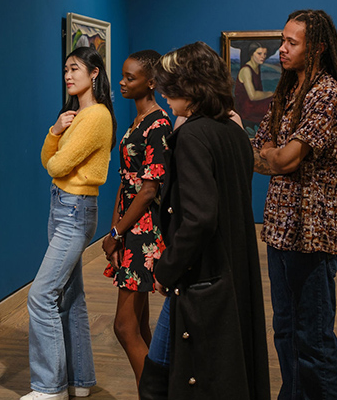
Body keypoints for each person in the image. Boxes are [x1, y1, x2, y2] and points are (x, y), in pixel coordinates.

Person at [139, 42, 269, 400]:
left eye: (169, 87)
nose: (164, 95)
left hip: (200, 280)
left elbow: (199, 218)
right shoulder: (234, 132)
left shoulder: (193, 136)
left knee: (159, 381)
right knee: (162, 371)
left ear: (189, 86)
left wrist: (166, 269)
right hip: (226, 273)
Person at [253, 9, 337, 399]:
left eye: (291, 42)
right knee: (285, 331)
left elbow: (283, 160)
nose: (281, 49)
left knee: (312, 338)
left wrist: (272, 153)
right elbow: (260, 152)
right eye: (282, 40)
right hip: (280, 230)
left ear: (316, 48)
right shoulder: (287, 92)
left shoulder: (327, 94)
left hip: (312, 235)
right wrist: (272, 153)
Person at [22, 46, 117, 400]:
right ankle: (80, 380)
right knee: (70, 296)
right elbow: (48, 158)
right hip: (63, 206)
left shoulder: (95, 116)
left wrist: (58, 147)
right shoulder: (75, 115)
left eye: (75, 68)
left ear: (94, 72)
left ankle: (50, 387)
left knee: (40, 295)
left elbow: (57, 165)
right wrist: (55, 129)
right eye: (65, 69)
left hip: (74, 210)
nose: (68, 75)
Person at [101, 50, 172, 388]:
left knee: (124, 327)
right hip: (130, 228)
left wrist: (117, 232)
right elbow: (125, 182)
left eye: (130, 77)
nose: (122, 82)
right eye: (123, 76)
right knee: (140, 326)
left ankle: (155, 394)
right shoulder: (138, 121)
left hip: (144, 230)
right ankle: (159, 389)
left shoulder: (158, 124)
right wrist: (114, 231)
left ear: (152, 82)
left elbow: (148, 190)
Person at [234, 42, 275, 129]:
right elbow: (252, 96)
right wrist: (271, 93)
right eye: (259, 54)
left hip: (254, 104)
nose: (263, 56)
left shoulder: (256, 67)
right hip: (247, 108)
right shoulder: (246, 70)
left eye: (265, 54)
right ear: (251, 54)